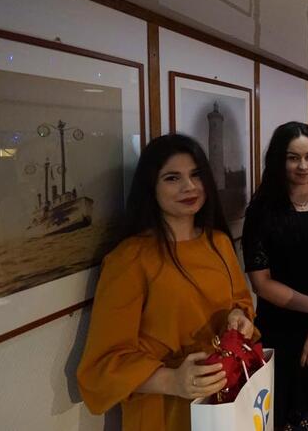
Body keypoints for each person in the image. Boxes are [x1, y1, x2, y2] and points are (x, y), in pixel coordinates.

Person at [77, 134, 256, 431]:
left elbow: (241, 301)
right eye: (173, 178)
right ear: (151, 187)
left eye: (196, 175)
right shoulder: (130, 258)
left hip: (225, 397)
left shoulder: (219, 242)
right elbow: (102, 366)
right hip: (164, 410)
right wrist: (172, 380)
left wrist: (240, 317)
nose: (190, 187)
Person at [242, 121, 308, 430]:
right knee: (273, 414)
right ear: (279, 160)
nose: (304, 166)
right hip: (281, 328)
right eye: (293, 158)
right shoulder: (261, 213)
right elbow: (262, 283)